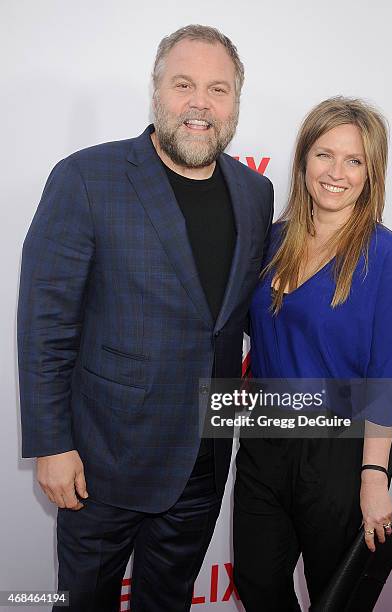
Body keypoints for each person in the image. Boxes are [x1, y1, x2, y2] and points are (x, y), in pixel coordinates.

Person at [17, 24, 273, 612]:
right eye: (184, 84)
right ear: (157, 91)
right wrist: (52, 444)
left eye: (219, 88)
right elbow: (45, 325)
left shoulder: (255, 193)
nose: (200, 103)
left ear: (236, 101)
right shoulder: (86, 179)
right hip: (102, 462)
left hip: (203, 460)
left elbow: (244, 317)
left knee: (168, 602)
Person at [233, 96, 392, 610]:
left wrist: (374, 478)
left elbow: (383, 381)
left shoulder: (387, 259)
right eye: (324, 154)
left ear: (371, 171)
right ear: (303, 160)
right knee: (257, 586)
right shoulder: (273, 241)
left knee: (335, 600)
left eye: (354, 160)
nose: (336, 172)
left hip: (342, 453)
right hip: (265, 442)